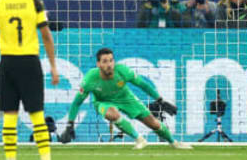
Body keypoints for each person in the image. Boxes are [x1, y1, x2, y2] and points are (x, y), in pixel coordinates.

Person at [0, 0, 59, 160]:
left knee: (9, 115)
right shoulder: (35, 3)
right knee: (37, 114)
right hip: (30, 63)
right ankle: (45, 157)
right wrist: (53, 66)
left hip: (8, 64)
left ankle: (10, 158)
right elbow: (47, 36)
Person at [59, 47, 191, 149]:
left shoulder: (122, 71)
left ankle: (174, 143)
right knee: (112, 113)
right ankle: (139, 139)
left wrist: (160, 100)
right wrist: (70, 124)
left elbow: (143, 84)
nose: (109, 64)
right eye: (105, 61)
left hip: (126, 98)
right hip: (103, 102)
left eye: (111, 60)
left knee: (154, 123)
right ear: (98, 64)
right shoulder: (89, 79)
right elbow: (77, 103)